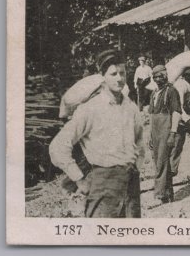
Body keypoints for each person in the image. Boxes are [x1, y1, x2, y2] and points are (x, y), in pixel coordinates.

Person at [49, 49, 144, 217]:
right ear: (103, 77)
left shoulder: (131, 107)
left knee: (131, 237)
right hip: (103, 183)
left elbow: (139, 140)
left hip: (131, 184)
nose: (119, 78)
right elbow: (58, 147)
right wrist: (79, 179)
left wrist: (137, 166)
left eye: (122, 73)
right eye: (113, 74)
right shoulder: (90, 110)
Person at [148, 65, 180, 204]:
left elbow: (176, 112)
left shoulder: (171, 91)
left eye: (161, 76)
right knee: (159, 161)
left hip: (166, 129)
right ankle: (168, 193)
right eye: (155, 77)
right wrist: (150, 135)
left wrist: (173, 132)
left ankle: (159, 194)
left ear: (165, 76)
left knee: (162, 161)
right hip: (156, 131)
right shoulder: (154, 93)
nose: (158, 79)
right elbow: (152, 115)